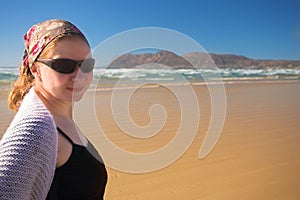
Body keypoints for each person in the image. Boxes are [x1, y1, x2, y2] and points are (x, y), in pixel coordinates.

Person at [0, 19, 107, 199]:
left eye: (87, 65)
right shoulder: (35, 129)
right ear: (36, 70)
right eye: (64, 65)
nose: (79, 76)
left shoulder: (59, 115)